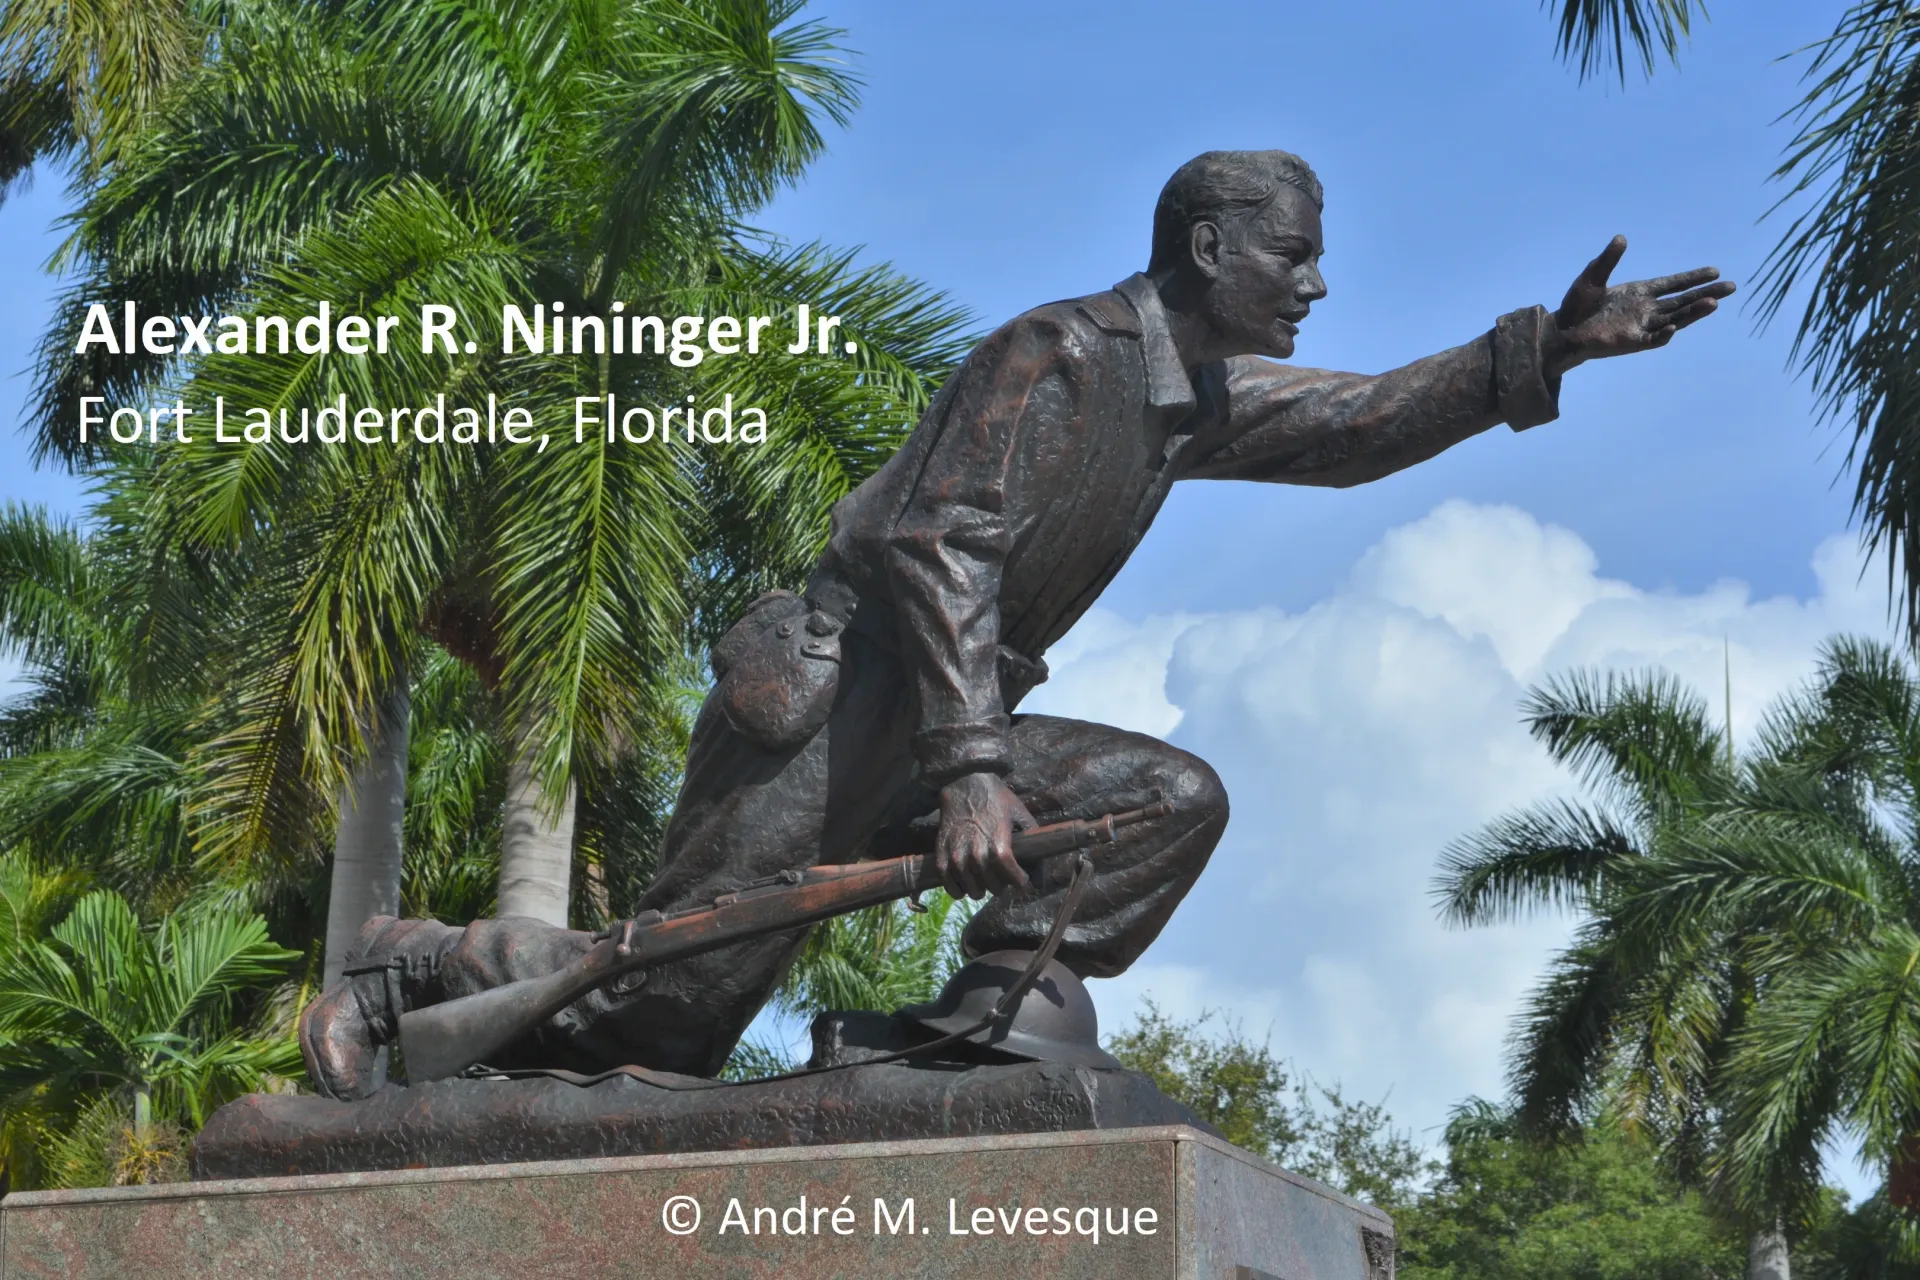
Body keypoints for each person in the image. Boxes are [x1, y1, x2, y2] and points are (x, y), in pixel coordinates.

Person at [301, 149, 1733, 1100]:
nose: (1316, 284)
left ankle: (980, 1020)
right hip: (843, 696)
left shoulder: (1191, 399)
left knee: (1160, 802)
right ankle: (407, 964)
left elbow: (1357, 426)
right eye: (1293, 257)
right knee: (661, 1016)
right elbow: (939, 548)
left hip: (945, 714)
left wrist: (1541, 349)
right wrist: (977, 774)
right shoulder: (1056, 355)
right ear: (1210, 245)